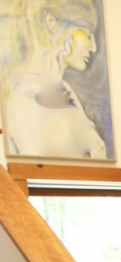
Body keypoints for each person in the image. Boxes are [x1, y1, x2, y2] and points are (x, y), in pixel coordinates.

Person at [0, 0, 106, 158]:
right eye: (87, 34)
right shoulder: (22, 101)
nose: (93, 47)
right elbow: (36, 167)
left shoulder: (64, 91)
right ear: (51, 23)